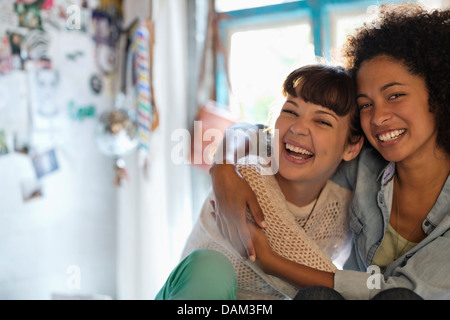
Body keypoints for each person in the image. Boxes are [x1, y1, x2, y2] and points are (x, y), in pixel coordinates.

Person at [210, 3, 450, 300]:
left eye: (395, 95)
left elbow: (401, 291)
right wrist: (223, 169)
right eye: (366, 104)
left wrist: (273, 262)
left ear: (439, 95)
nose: (377, 117)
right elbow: (256, 133)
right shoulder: (363, 161)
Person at [155, 64, 364, 300]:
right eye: (291, 112)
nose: (297, 128)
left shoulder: (344, 208)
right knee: (212, 269)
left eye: (323, 122)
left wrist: (271, 261)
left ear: (352, 146)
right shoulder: (248, 177)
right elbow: (345, 287)